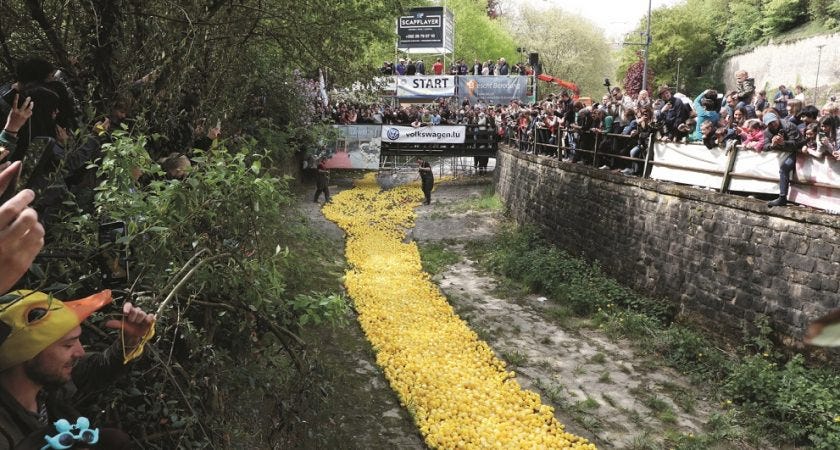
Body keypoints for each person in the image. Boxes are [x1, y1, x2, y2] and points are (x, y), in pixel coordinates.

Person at [0, 289, 156, 449]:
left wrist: (131, 339)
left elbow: (99, 369)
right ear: (26, 352)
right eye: (68, 345)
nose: (80, 352)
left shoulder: (48, 386)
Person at [764, 111, 805, 207]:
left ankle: (783, 198)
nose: (772, 124)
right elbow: (764, 146)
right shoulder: (767, 131)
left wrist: (783, 143)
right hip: (783, 153)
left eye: (773, 121)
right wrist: (772, 145)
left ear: (777, 119)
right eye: (769, 123)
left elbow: (797, 144)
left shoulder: (788, 126)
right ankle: (769, 194)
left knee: (784, 169)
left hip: (798, 152)